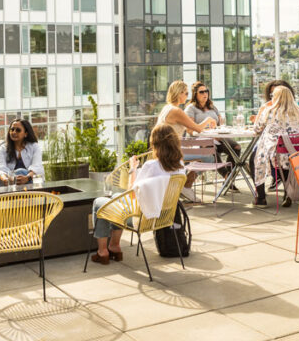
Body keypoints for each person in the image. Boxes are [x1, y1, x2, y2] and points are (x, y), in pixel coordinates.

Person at [89, 125, 186, 265]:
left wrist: (132, 169)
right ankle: (114, 246)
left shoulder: (151, 166)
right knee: (116, 196)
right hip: (164, 215)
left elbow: (132, 194)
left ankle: (102, 252)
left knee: (99, 203)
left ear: (154, 144)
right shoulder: (180, 165)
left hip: (142, 216)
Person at [252, 86, 299, 207]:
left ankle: (261, 198)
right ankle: (288, 192)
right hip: (296, 152)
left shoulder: (270, 111)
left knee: (254, 159)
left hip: (274, 152)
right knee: (284, 159)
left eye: (273, 96)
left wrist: (261, 110)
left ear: (276, 98)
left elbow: (257, 128)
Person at [185, 81, 242, 190]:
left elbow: (220, 123)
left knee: (236, 148)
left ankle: (228, 178)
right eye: (201, 92)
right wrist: (205, 132)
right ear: (195, 94)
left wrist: (219, 128)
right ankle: (227, 177)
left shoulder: (212, 107)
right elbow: (190, 129)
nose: (205, 94)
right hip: (200, 141)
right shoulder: (191, 109)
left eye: (206, 91)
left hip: (218, 137)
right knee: (211, 151)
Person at [0, 118, 44, 185]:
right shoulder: (3, 149)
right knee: (18, 172)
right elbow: (0, 169)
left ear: (25, 134)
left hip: (30, 183)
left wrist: (27, 178)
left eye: (18, 130)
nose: (14, 132)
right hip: (10, 184)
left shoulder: (35, 147)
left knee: (21, 171)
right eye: (12, 129)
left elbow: (37, 167)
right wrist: (6, 180)